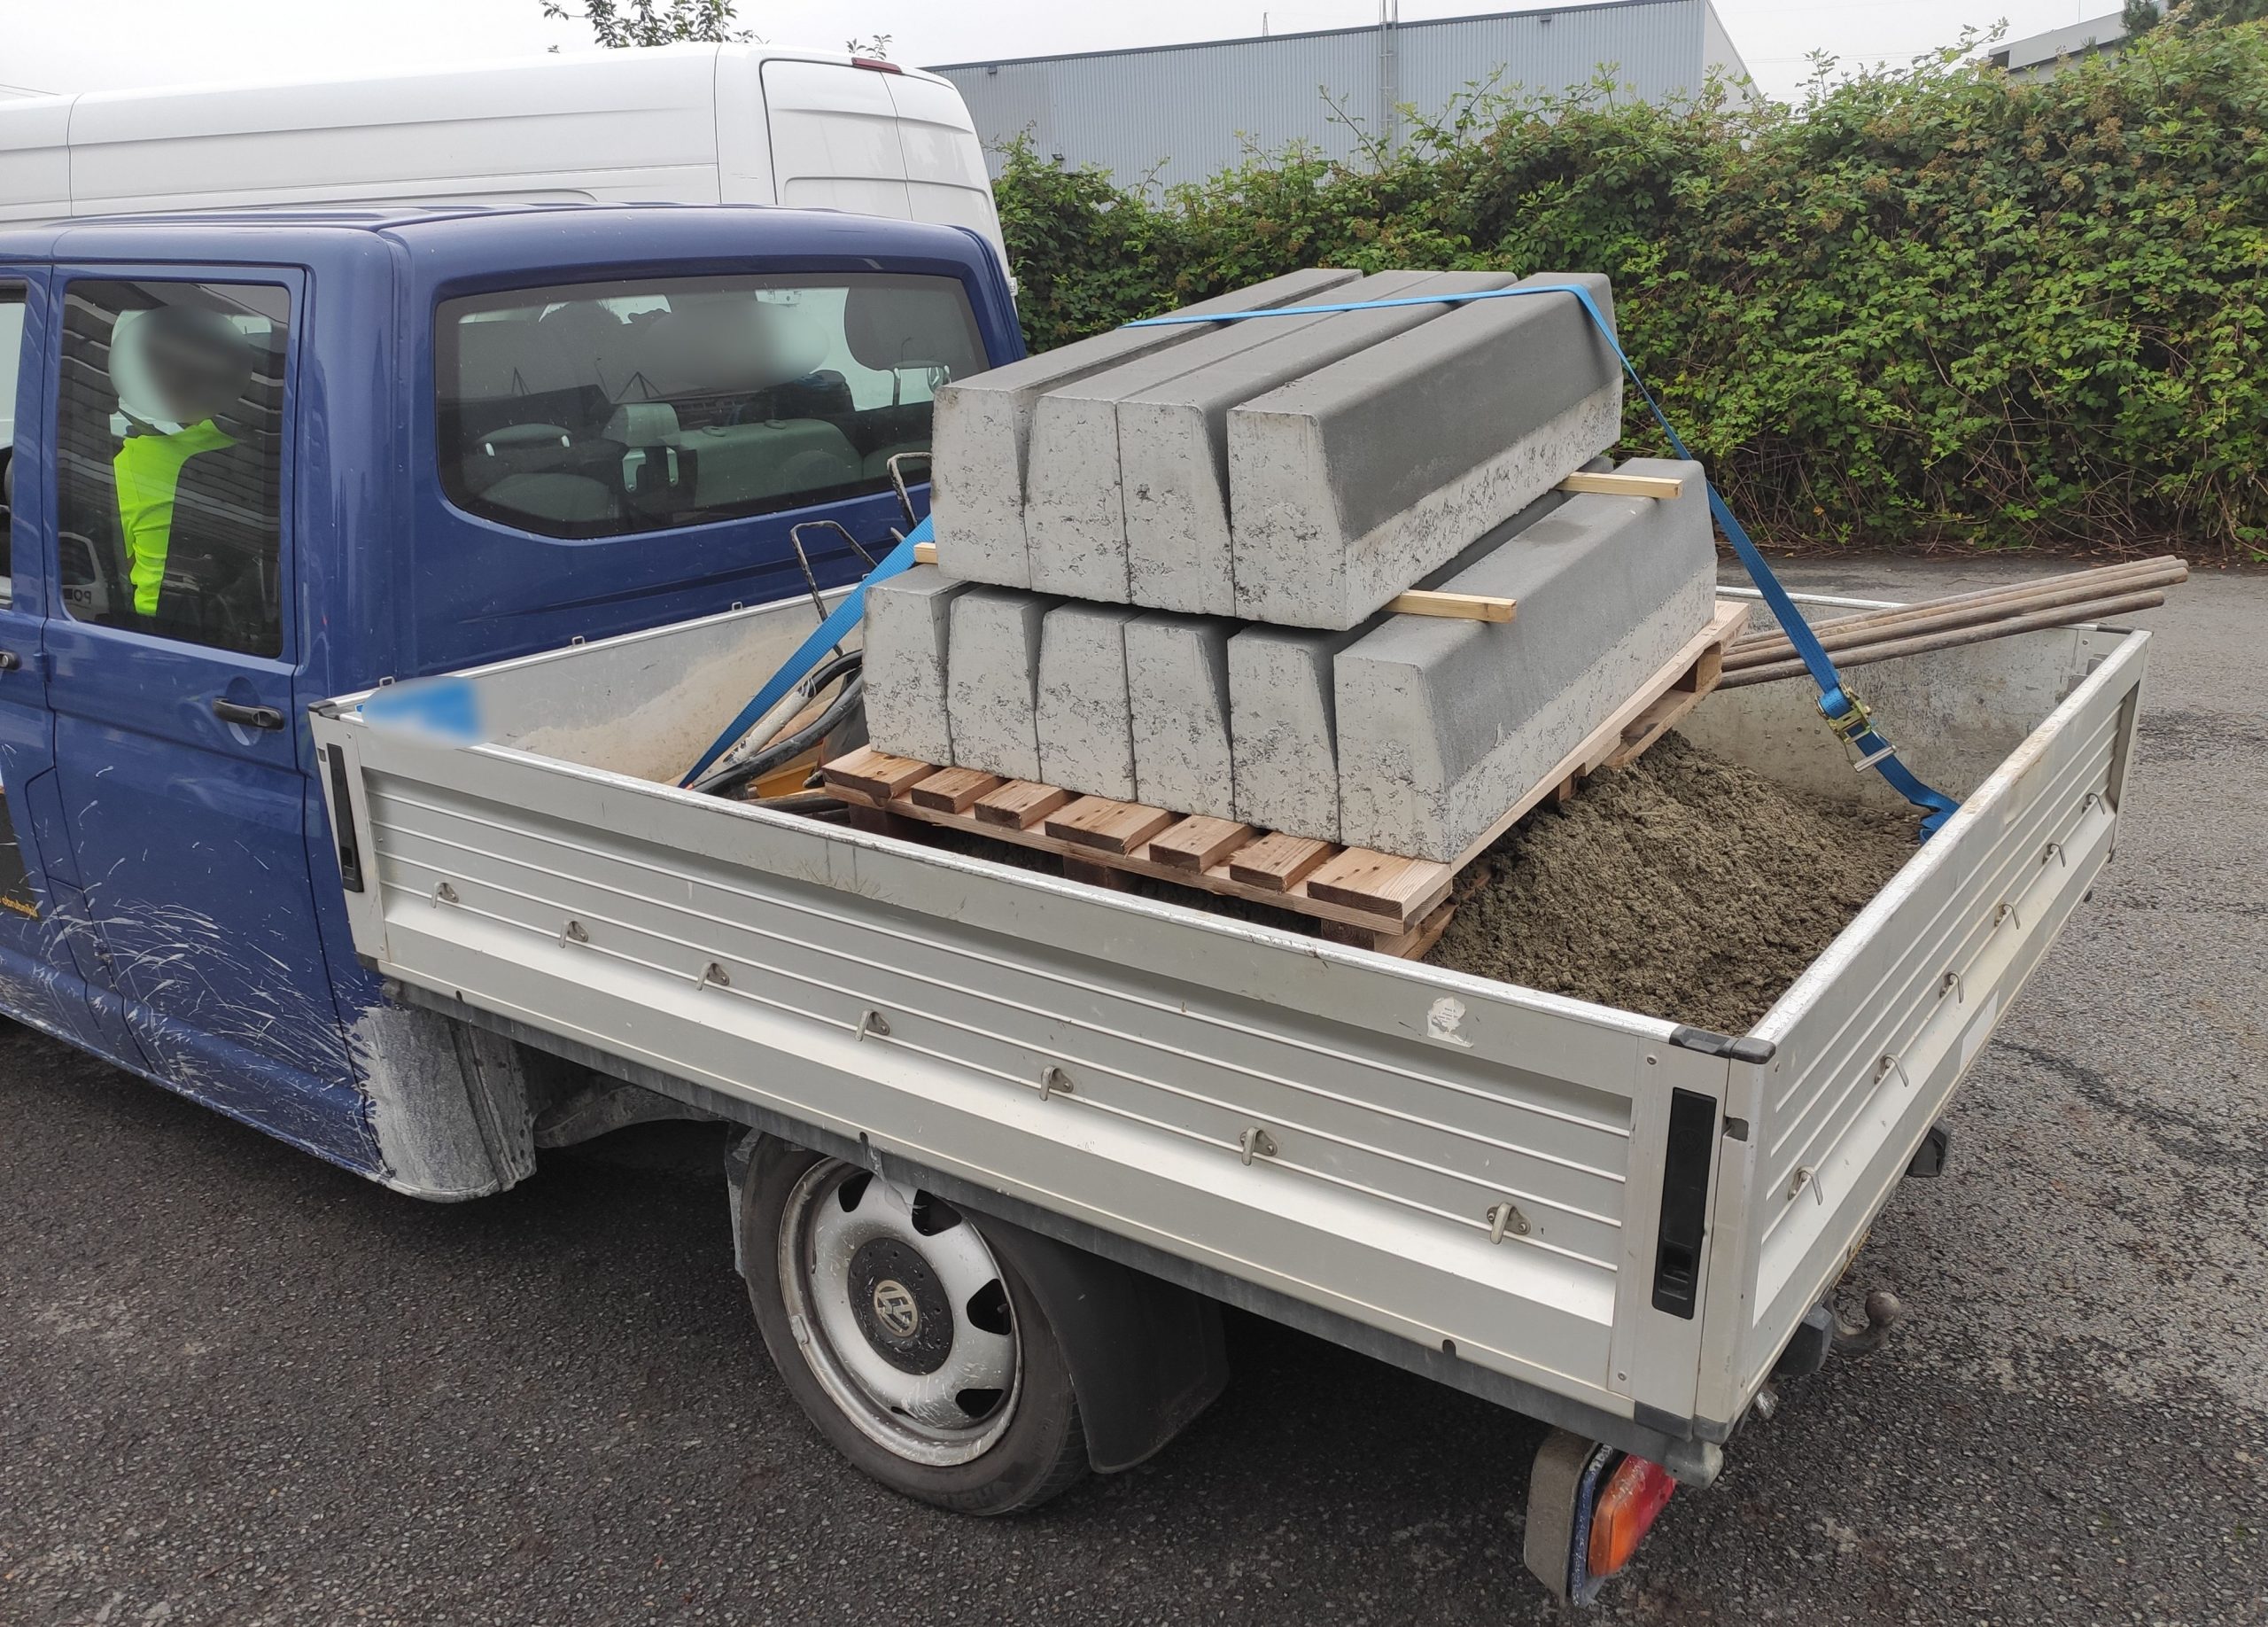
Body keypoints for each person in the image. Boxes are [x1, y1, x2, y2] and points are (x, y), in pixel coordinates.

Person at [107, 304, 257, 621]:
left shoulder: (133, 461)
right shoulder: (254, 447)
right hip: (239, 620)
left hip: (157, 625)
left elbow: (113, 558)